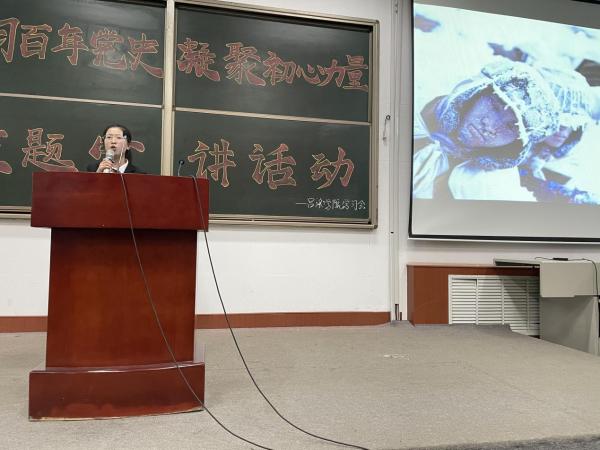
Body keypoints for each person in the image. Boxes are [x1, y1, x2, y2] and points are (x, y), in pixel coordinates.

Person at [413, 60, 560, 200]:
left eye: (510, 126)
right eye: (494, 107)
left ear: (516, 144)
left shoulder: (493, 188)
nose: (490, 127)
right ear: (474, 94)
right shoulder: (412, 108)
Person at [518, 67, 599, 204]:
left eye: (572, 124)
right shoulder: (514, 146)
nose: (563, 130)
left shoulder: (582, 151)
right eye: (558, 123)